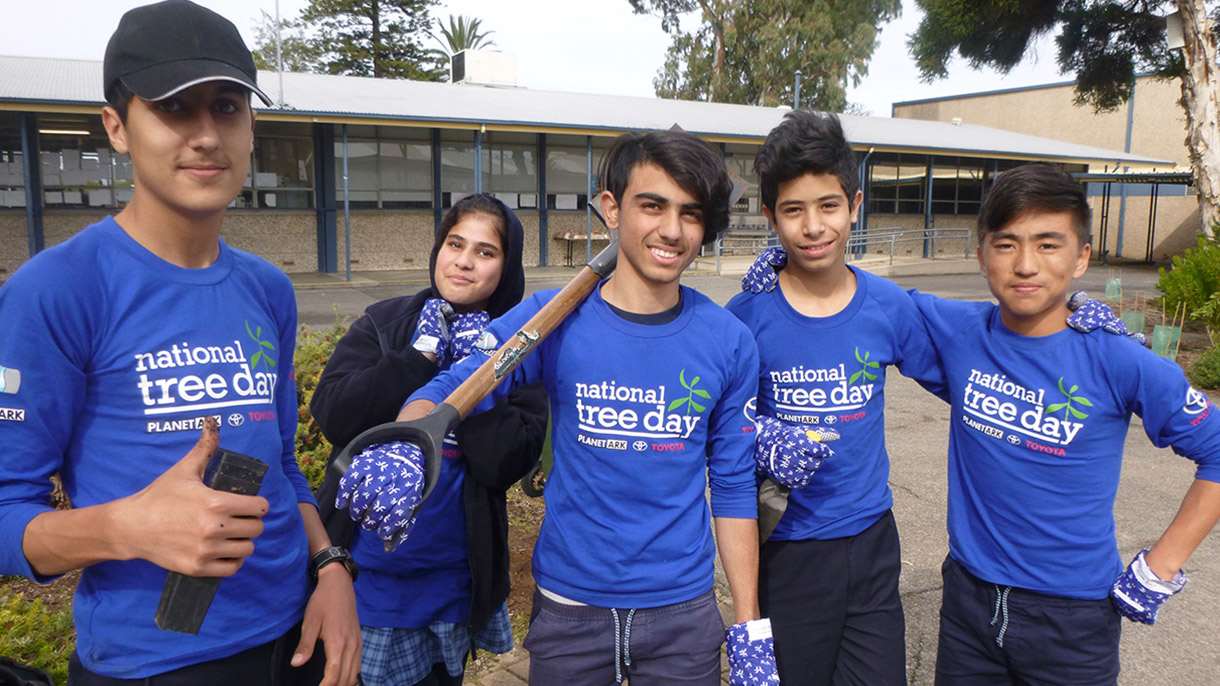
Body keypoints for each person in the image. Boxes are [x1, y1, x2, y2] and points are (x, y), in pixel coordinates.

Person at [0, 2, 360, 684]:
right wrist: (126, 528)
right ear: (117, 128)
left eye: (226, 107)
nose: (205, 136)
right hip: (156, 662)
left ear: (252, 126)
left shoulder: (266, 289)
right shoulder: (58, 289)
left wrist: (330, 568)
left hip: (297, 641)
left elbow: (281, 461)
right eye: (173, 108)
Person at [343, 130, 775, 685]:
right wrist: (411, 441)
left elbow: (735, 486)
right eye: (653, 205)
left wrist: (747, 622)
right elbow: (458, 383)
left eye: (691, 213)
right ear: (612, 208)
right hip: (570, 612)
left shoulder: (730, 342)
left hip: (682, 616)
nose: (672, 230)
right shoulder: (549, 321)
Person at [908, 164, 1220, 684]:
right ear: (983, 253)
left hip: (1071, 618)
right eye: (1006, 244)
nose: (1026, 265)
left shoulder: (1119, 358)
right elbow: (856, 297)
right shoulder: (957, 330)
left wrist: (1161, 565)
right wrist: (784, 269)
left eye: (1048, 245)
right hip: (967, 601)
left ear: (1082, 259)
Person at [726, 111, 946, 685]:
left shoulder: (888, 307)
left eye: (827, 206)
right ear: (771, 216)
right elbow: (709, 421)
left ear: (855, 204)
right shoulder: (746, 317)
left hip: (872, 542)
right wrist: (759, 437)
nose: (813, 226)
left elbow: (970, 357)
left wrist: (1059, 326)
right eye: (793, 210)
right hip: (789, 547)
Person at [309, 194, 547, 686]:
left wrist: (471, 377)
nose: (463, 261)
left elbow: (507, 459)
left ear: (508, 266)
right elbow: (334, 414)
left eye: (486, 252)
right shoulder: (386, 322)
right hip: (365, 577)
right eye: (455, 244)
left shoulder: (520, 346)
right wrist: (418, 360)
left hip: (452, 580)